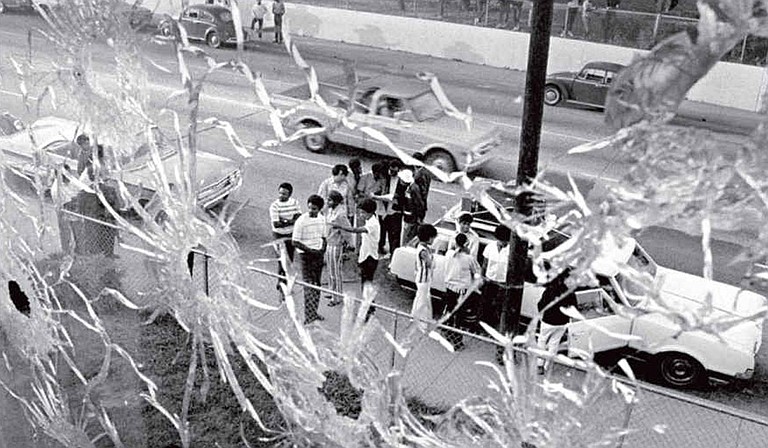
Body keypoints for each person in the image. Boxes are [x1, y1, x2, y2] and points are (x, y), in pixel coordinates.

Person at [333, 199, 381, 321]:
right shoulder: (370, 220)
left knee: (366, 285)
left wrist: (341, 226)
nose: (360, 215)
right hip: (366, 256)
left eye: (362, 213)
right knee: (365, 284)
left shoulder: (372, 224)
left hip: (370, 258)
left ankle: (368, 311)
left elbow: (355, 230)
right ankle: (370, 308)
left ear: (369, 212)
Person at [441, 233, 482, 350]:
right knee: (459, 316)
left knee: (449, 311)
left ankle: (447, 332)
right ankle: (457, 341)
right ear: (466, 245)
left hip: (449, 287)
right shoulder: (469, 259)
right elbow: (477, 271)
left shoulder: (449, 254)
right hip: (462, 290)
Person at [292, 194, 327, 325]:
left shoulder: (322, 219)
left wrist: (322, 249)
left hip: (318, 255)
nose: (311, 211)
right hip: (306, 256)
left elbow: (324, 237)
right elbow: (295, 242)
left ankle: (314, 312)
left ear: (319, 209)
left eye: (314, 209)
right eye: (310, 208)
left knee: (317, 285)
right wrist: (311, 251)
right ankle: (308, 315)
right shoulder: (301, 221)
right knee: (309, 285)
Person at [536, 269, 578, 374]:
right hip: (562, 322)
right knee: (554, 344)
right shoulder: (570, 292)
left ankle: (539, 366)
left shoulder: (550, 289)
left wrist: (541, 314)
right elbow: (574, 307)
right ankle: (547, 366)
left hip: (548, 320)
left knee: (542, 341)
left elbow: (540, 304)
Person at [269, 182, 302, 299]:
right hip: (279, 236)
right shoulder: (274, 206)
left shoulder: (294, 203)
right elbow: (276, 224)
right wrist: (290, 221)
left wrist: (285, 221)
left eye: (284, 194)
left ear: (290, 194)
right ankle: (282, 283)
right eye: (280, 193)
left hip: (290, 235)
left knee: (290, 260)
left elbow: (298, 217)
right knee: (282, 260)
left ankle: (284, 281)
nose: (281, 196)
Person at [481, 225, 512, 332]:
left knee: (499, 306)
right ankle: (483, 327)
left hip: (502, 283)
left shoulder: (511, 251)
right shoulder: (490, 247)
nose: (503, 243)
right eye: (501, 240)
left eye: (505, 241)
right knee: (485, 304)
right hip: (489, 281)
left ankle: (495, 328)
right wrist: (482, 278)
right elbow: (485, 264)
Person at [324, 191, 350, 307]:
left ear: (335, 201)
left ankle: (337, 296)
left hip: (337, 244)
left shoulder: (340, 214)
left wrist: (348, 243)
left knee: (336, 271)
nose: (327, 202)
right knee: (330, 269)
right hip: (329, 242)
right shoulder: (331, 210)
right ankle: (331, 291)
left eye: (329, 200)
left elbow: (347, 230)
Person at [356, 161, 388, 254]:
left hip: (374, 207)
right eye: (377, 174)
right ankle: (358, 250)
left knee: (372, 230)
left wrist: (376, 194)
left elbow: (383, 191)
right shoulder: (365, 177)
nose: (379, 176)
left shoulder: (382, 180)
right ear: (374, 172)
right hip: (363, 206)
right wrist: (368, 195)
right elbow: (359, 192)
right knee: (361, 228)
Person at [411, 224, 437, 330]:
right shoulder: (424, 251)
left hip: (422, 277)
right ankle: (422, 323)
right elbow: (431, 264)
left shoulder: (422, 247)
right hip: (424, 278)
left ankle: (414, 316)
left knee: (420, 297)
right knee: (423, 300)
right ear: (429, 237)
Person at [380, 160, 405, 254]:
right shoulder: (387, 178)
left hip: (396, 212)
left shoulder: (403, 181)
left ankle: (394, 254)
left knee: (394, 236)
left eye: (394, 169)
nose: (391, 171)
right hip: (386, 210)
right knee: (384, 232)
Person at [400, 169, 426, 246]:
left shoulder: (414, 189)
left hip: (411, 218)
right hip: (408, 217)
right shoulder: (410, 188)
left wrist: (418, 217)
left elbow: (419, 204)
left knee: (406, 238)